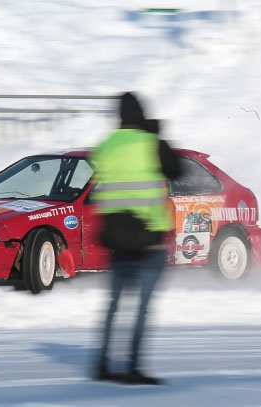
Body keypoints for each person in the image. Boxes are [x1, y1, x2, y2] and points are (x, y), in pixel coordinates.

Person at [92, 92, 182, 385]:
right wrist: (156, 136)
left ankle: (103, 365)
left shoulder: (104, 147)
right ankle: (132, 368)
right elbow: (176, 170)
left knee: (114, 304)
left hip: (118, 238)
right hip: (150, 238)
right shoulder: (151, 143)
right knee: (142, 307)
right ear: (142, 114)